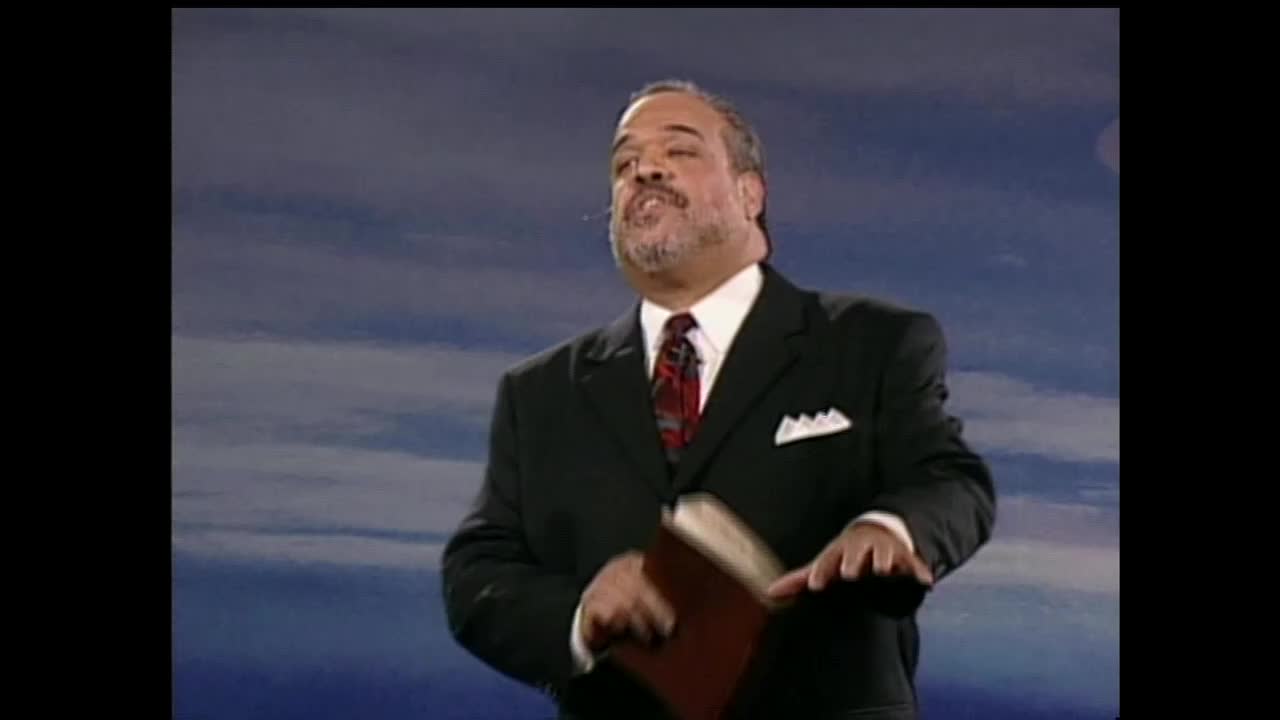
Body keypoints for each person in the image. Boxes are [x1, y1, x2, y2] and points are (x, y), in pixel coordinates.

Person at [441, 79, 996, 720]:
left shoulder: (872, 344)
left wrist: (892, 528)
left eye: (679, 151)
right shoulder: (539, 394)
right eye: (624, 163)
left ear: (750, 193)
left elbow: (949, 479)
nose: (644, 170)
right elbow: (477, 573)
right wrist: (577, 614)